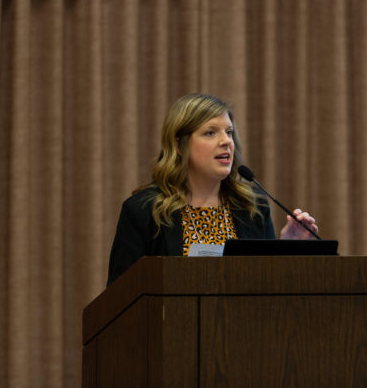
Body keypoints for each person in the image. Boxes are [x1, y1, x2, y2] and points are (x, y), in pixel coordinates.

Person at [107, 93, 318, 285]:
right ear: (180, 146)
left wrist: (287, 248)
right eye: (210, 133)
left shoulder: (252, 206)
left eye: (229, 132)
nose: (226, 141)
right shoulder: (145, 211)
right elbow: (121, 297)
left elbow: (268, 289)